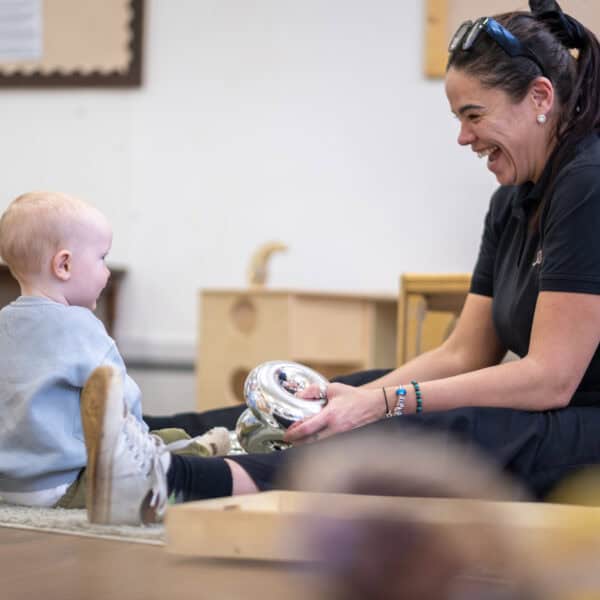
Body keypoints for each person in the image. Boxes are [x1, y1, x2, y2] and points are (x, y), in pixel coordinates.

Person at [75, 0, 600, 524]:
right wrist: (341, 400)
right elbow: (464, 353)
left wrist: (385, 404)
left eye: (473, 115)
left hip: (585, 429)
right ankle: (116, 438)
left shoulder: (588, 182)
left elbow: (549, 378)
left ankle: (168, 483)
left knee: (421, 430)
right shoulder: (510, 201)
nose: (463, 136)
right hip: (551, 410)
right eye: (459, 118)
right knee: (341, 394)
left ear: (540, 97)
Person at [0, 191, 231, 514]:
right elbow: (123, 408)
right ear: (64, 265)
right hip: (63, 485)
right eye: (102, 258)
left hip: (7, 485)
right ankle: (200, 451)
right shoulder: (82, 328)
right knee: (167, 447)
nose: (107, 272)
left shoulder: (5, 322)